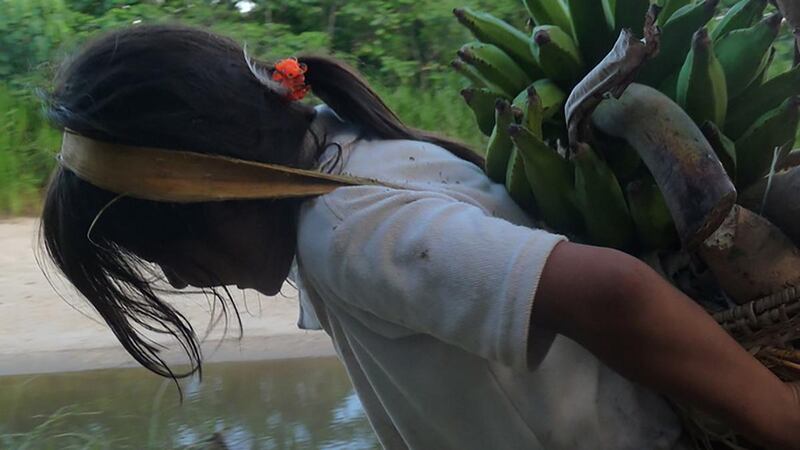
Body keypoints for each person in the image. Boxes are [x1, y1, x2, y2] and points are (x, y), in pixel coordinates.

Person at [39, 24, 800, 450]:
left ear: (215, 197)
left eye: (162, 253)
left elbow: (608, 290)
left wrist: (774, 416)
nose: (180, 276)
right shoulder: (346, 164)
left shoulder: (353, 231)